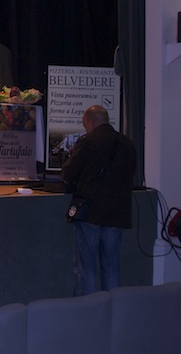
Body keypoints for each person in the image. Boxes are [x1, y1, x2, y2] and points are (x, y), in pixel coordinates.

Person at [62, 105, 136, 296]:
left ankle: (89, 310)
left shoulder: (89, 141)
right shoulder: (127, 143)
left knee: (87, 269)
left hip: (91, 212)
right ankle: (113, 310)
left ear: (90, 121)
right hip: (118, 214)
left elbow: (69, 173)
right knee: (111, 267)